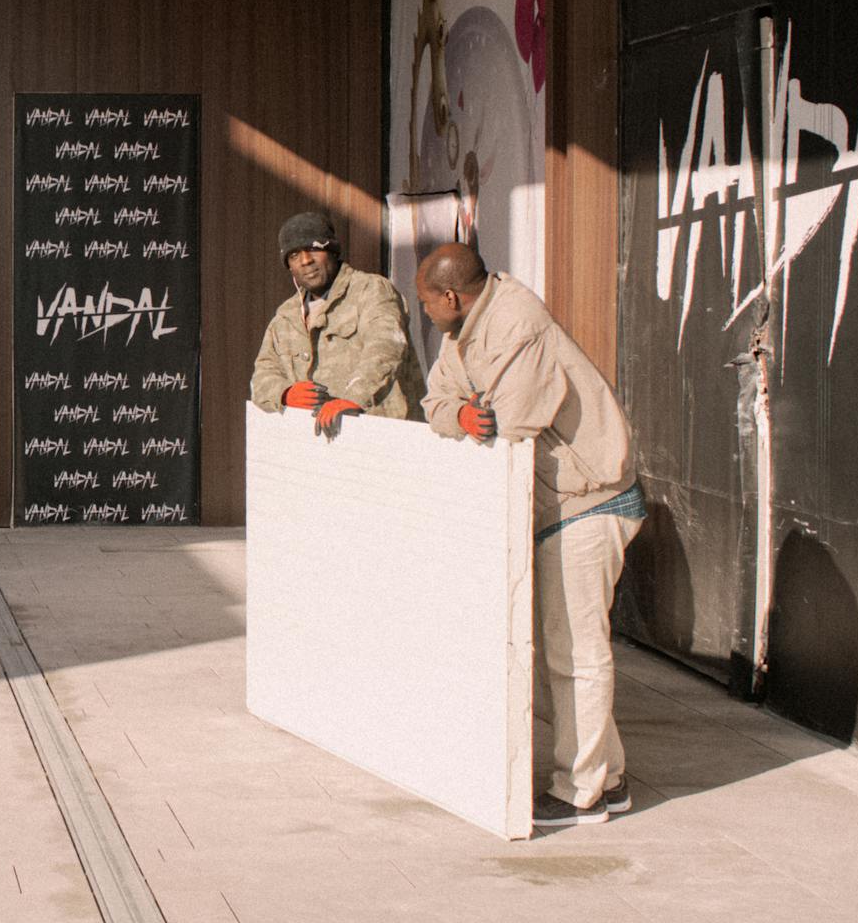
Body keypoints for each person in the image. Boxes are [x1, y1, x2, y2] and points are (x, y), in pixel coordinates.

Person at [415, 243, 644, 829]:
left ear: (449, 296)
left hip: (590, 499)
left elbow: (511, 423)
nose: (423, 312)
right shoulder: (463, 330)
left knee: (578, 655)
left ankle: (582, 792)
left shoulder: (518, 320)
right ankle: (609, 779)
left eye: (425, 302)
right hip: (550, 506)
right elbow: (437, 402)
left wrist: (472, 417)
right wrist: (460, 416)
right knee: (557, 659)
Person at [249, 211, 425, 436]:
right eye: (294, 255)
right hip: (322, 447)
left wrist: (352, 398)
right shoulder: (286, 316)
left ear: (332, 250)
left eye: (313, 249)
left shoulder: (370, 290)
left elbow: (385, 349)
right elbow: (262, 377)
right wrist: (285, 393)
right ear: (289, 267)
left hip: (382, 436)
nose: (305, 261)